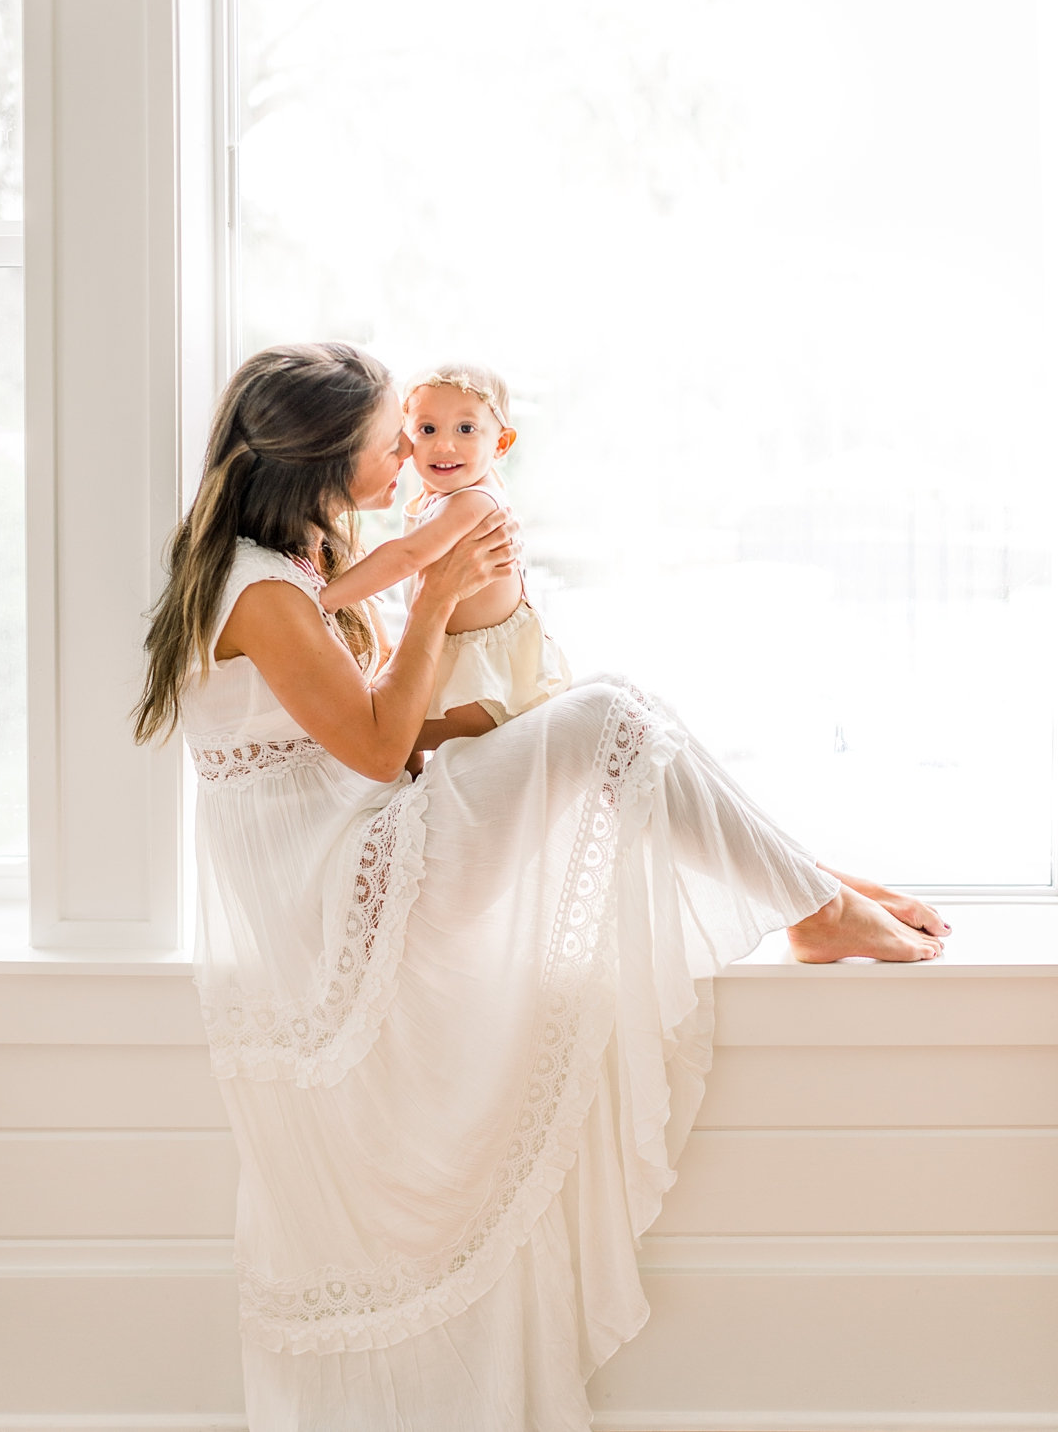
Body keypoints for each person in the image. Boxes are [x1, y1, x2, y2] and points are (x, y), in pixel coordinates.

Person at [134, 342, 948, 1432]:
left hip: (352, 848)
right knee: (609, 718)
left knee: (612, 715)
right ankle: (815, 903)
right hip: (333, 907)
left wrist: (471, 714)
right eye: (389, 442)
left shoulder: (292, 567)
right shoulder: (259, 586)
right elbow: (372, 754)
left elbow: (346, 742)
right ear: (324, 453)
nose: (407, 463)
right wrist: (436, 599)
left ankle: (812, 890)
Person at [311, 362, 570, 746]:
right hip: (452, 652)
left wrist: (324, 600)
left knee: (408, 734)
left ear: (500, 444)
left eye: (466, 429)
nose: (444, 445)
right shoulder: (439, 497)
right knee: (402, 726)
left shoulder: (475, 500)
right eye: (427, 429)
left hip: (486, 666)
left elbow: (406, 556)